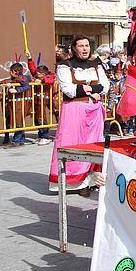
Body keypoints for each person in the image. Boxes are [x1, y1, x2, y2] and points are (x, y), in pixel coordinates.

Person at [49, 35, 109, 194]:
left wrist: (85, 89)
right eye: (81, 46)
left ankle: (91, 181)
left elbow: (105, 86)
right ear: (74, 48)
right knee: (73, 145)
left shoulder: (96, 64)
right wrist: (91, 90)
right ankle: (75, 182)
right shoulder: (65, 66)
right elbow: (68, 89)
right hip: (74, 109)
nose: (84, 49)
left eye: (87, 45)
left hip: (94, 110)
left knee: (93, 145)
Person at [1, 62, 32, 147]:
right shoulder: (16, 78)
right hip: (17, 102)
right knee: (19, 120)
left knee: (19, 120)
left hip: (20, 102)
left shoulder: (22, 78)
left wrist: (16, 90)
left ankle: (17, 140)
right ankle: (21, 139)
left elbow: (27, 86)